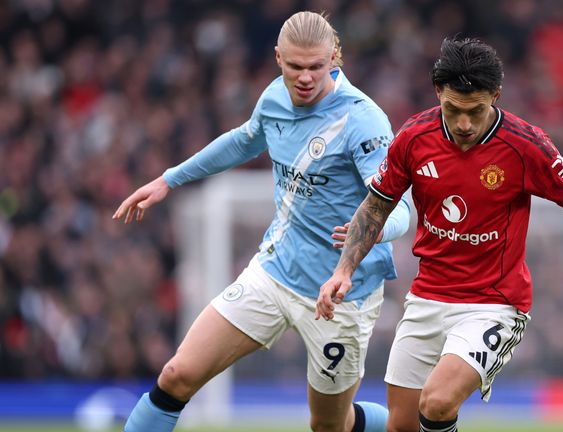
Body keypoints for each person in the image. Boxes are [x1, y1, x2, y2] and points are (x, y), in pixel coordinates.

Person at [316, 37, 563, 432]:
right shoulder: (414, 137)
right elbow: (376, 204)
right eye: (453, 110)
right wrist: (343, 271)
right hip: (427, 297)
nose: (464, 124)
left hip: (494, 304)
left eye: (476, 111)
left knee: (436, 402)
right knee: (401, 425)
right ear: (438, 92)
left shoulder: (525, 145)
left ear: (496, 97)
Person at [113, 11, 410, 432]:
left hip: (341, 293)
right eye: (294, 67)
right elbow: (244, 140)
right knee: (177, 375)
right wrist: (168, 180)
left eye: (315, 67)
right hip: (274, 273)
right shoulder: (273, 98)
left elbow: (400, 208)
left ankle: (403, 425)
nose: (304, 78)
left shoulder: (364, 120)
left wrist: (377, 228)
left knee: (329, 425)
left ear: (334, 59)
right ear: (277, 58)